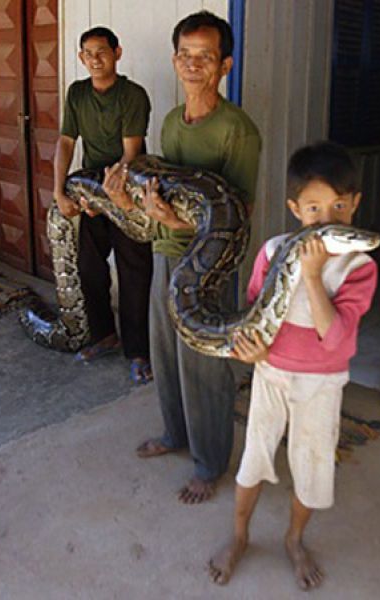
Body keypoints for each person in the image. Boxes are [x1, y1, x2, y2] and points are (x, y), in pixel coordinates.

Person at [208, 141, 378, 589]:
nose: (326, 219)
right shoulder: (272, 251)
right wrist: (254, 352)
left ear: (356, 204)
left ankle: (294, 539)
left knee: (312, 463)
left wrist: (313, 276)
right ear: (295, 208)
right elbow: (253, 314)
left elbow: (335, 335)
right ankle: (240, 535)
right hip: (271, 374)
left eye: (340, 205)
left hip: (322, 384)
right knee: (255, 455)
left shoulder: (358, 267)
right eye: (314, 207)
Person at [109, 11, 261, 502]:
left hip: (211, 266)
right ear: (175, 60)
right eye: (186, 55)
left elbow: (240, 213)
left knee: (204, 366)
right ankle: (176, 435)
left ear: (225, 65)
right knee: (167, 354)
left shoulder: (238, 131)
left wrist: (175, 222)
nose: (194, 65)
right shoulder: (173, 122)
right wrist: (128, 203)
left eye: (206, 57)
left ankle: (210, 461)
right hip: (166, 252)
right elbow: (163, 199)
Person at [53, 26, 153, 383]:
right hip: (91, 186)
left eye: (102, 52)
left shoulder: (132, 95)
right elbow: (66, 141)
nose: (95, 59)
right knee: (89, 266)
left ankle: (139, 352)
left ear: (117, 53)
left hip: (128, 188)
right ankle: (104, 335)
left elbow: (130, 155)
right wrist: (58, 191)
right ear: (81, 57)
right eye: (88, 53)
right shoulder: (77, 93)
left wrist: (113, 199)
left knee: (134, 271)